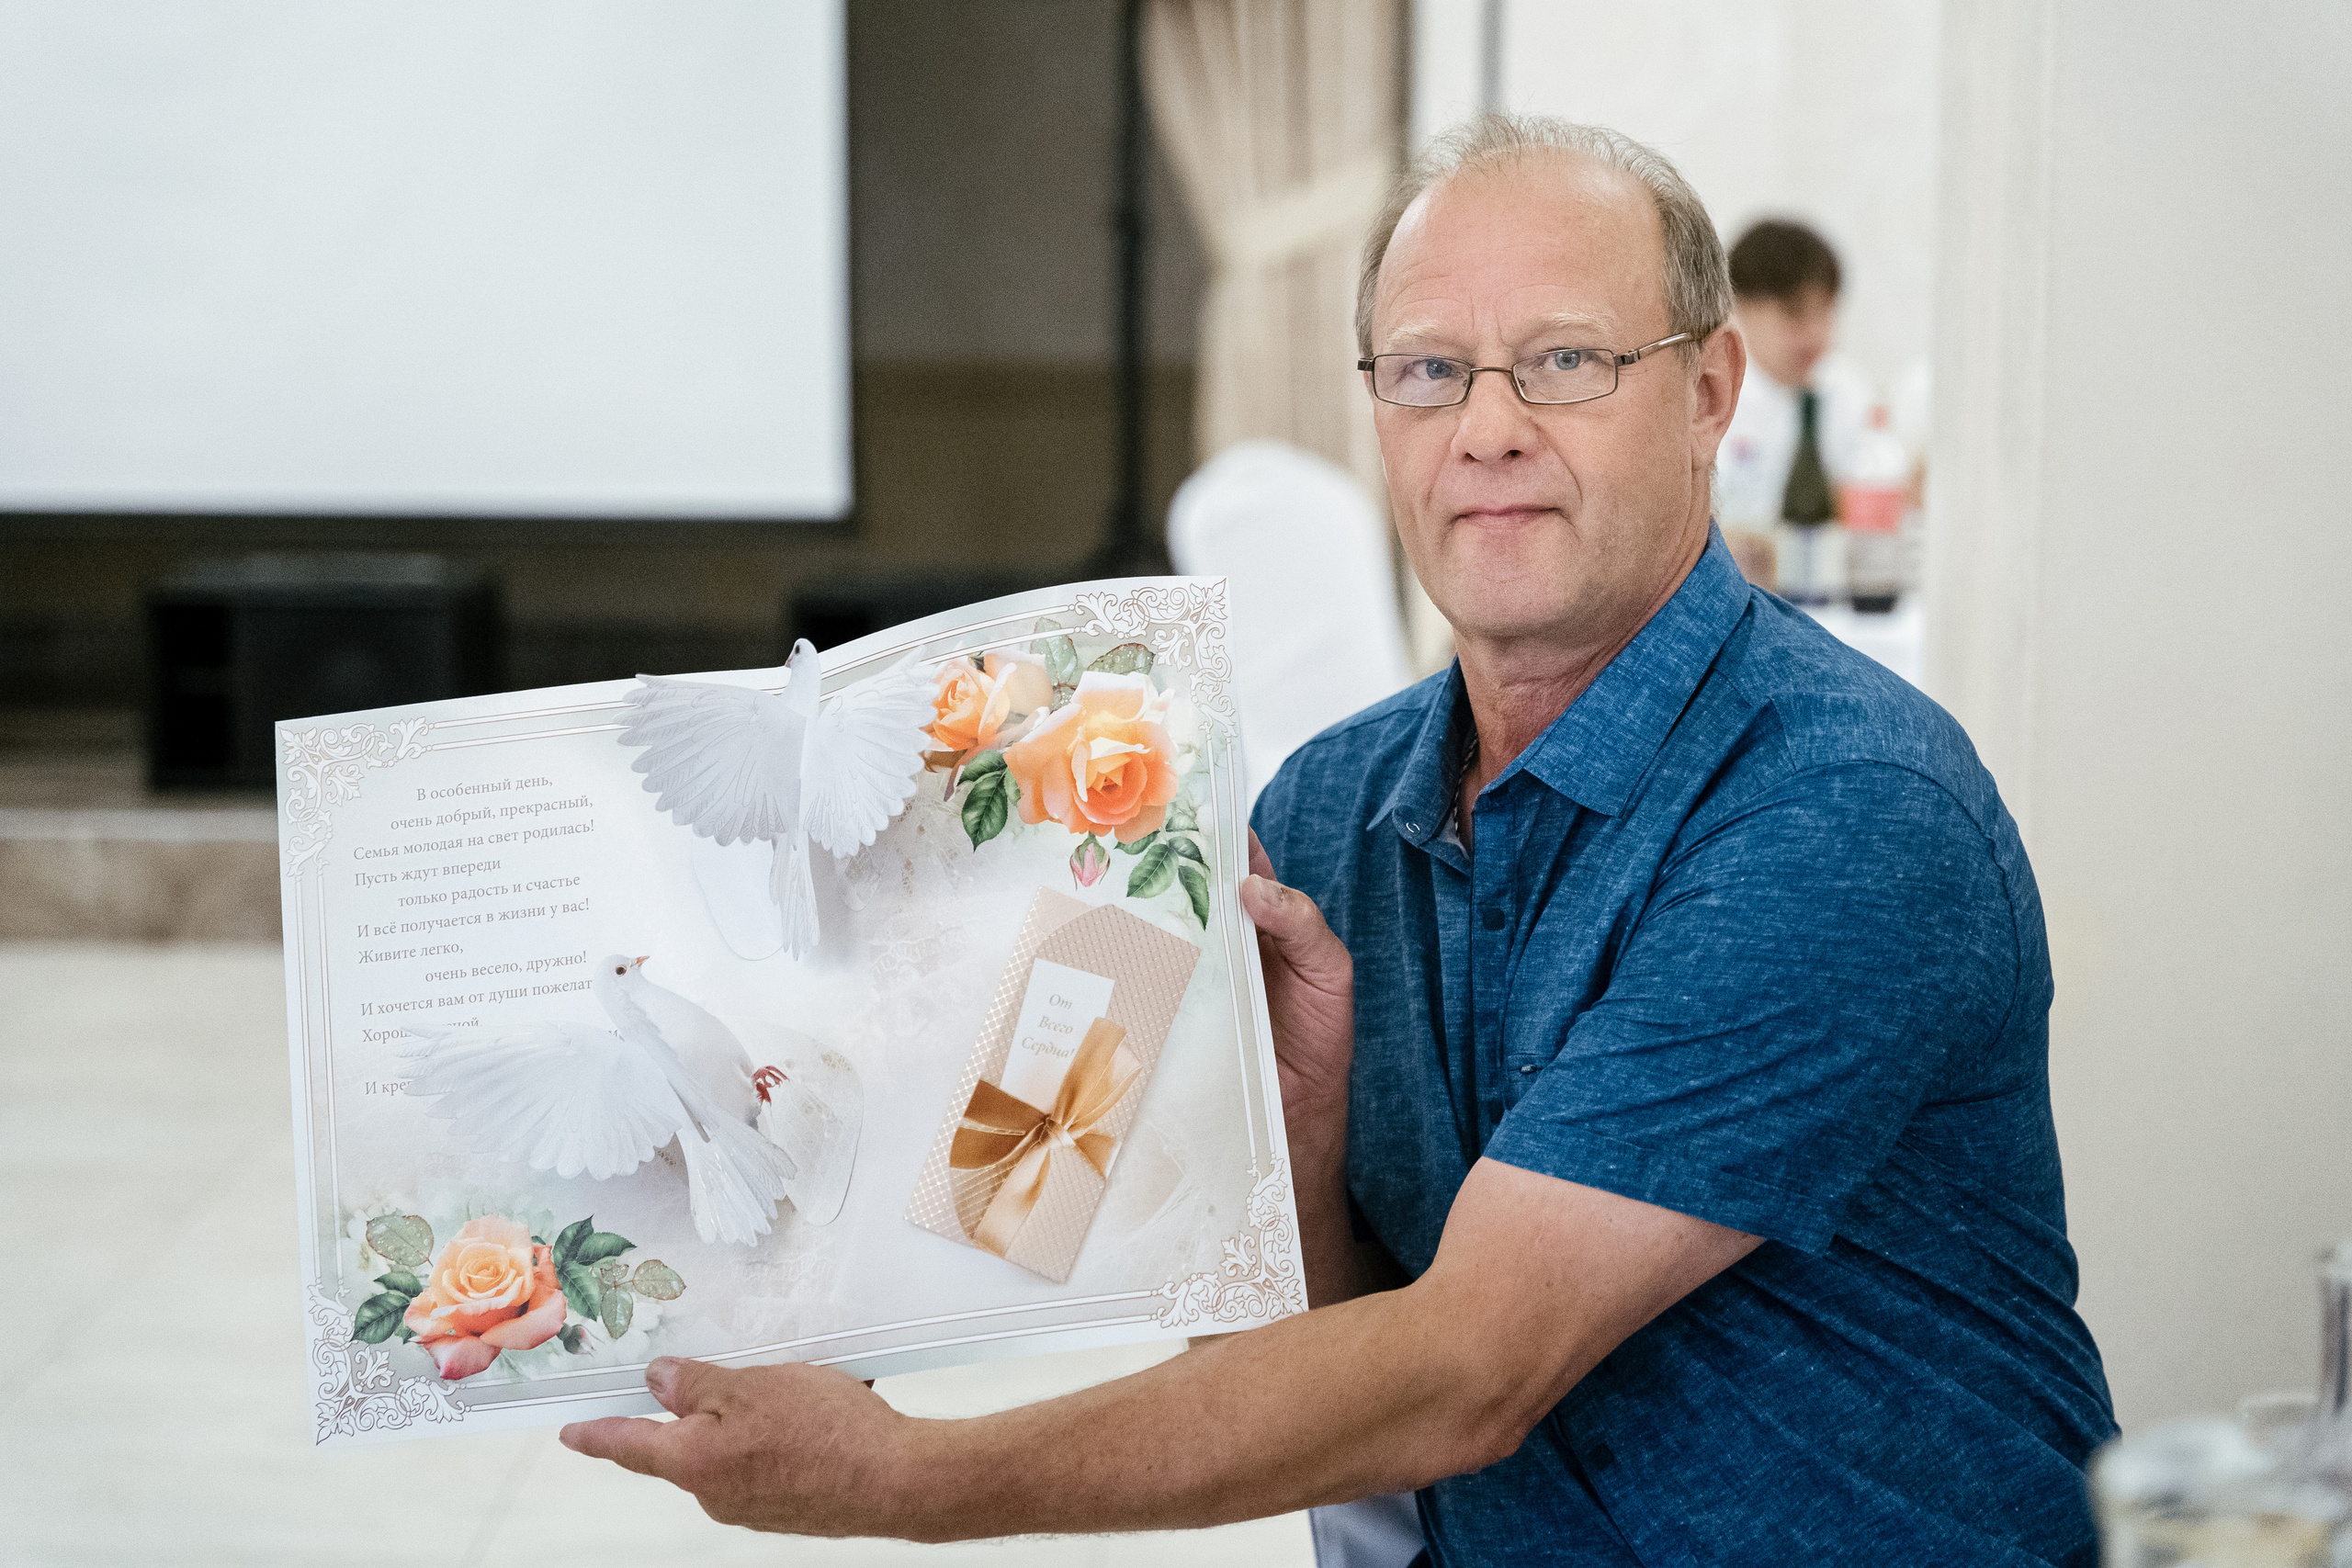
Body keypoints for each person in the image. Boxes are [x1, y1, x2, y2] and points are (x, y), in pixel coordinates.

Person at [560, 114, 2117, 1565]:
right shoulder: (1322, 809)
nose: (1487, 429)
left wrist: (907, 1478)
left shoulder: (1842, 805)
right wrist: (1296, 1154)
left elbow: (1468, 1372)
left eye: (1565, 360)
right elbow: (1273, 1360)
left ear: (1710, 391)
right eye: (1429, 370)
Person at [1713, 219, 1873, 597]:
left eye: (1826, 312)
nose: (1816, 333)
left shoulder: (1847, 391)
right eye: (1796, 314)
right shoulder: (1708, 394)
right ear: (1741, 306)